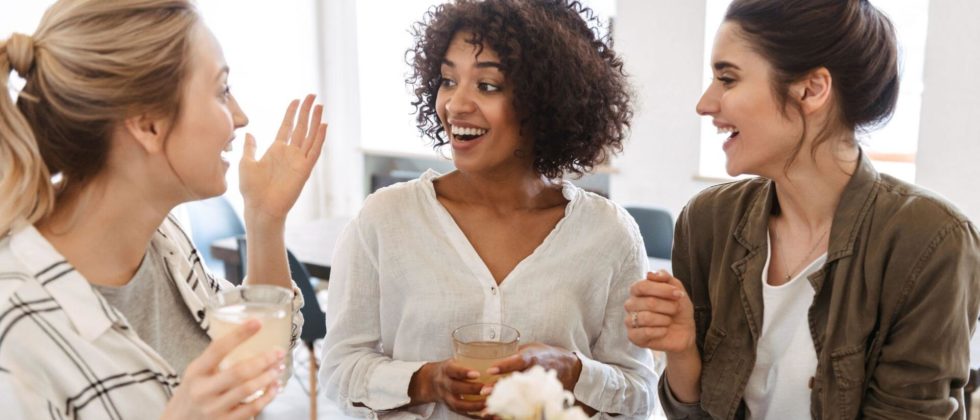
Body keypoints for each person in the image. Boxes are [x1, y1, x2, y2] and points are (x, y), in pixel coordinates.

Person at [624, 0, 980, 418]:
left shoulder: (931, 240)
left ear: (812, 90)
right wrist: (681, 349)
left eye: (727, 78)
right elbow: (694, 413)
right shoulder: (708, 221)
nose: (705, 103)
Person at [319, 0, 655, 418]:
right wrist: (426, 380)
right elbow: (337, 370)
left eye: (487, 86)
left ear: (545, 101)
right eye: (447, 80)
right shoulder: (386, 218)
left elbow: (640, 394)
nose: (455, 105)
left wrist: (573, 371)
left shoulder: (609, 235)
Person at [0, 0, 327, 418]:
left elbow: (258, 369)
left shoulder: (163, 242)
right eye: (221, 90)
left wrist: (265, 220)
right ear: (148, 124)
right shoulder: (16, 326)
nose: (240, 117)